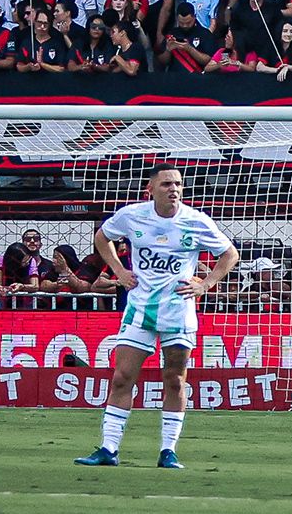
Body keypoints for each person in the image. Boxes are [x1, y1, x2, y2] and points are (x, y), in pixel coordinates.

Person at [76, 163, 240, 469]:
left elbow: (230, 254)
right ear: (150, 190)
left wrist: (206, 284)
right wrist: (119, 271)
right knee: (122, 377)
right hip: (140, 308)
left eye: (177, 183)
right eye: (166, 184)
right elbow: (102, 237)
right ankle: (109, 449)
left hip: (178, 311)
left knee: (174, 380)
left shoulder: (196, 221)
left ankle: (168, 451)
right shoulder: (132, 215)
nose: (174, 189)